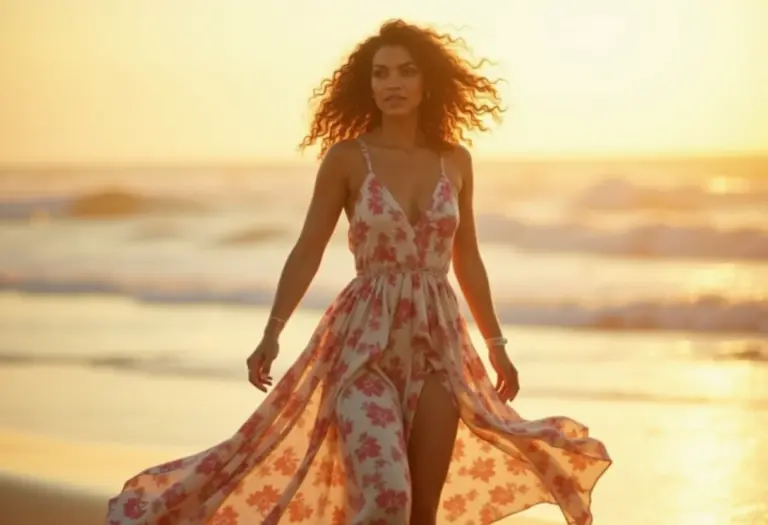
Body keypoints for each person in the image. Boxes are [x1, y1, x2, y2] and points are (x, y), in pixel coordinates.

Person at [105, 18, 611, 525]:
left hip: (439, 346)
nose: (392, 83)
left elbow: (468, 257)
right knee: (388, 499)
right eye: (380, 74)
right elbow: (308, 249)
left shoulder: (455, 161)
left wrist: (497, 346)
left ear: (427, 81)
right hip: (362, 344)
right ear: (366, 86)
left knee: (422, 512)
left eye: (406, 72)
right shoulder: (348, 159)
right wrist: (271, 332)